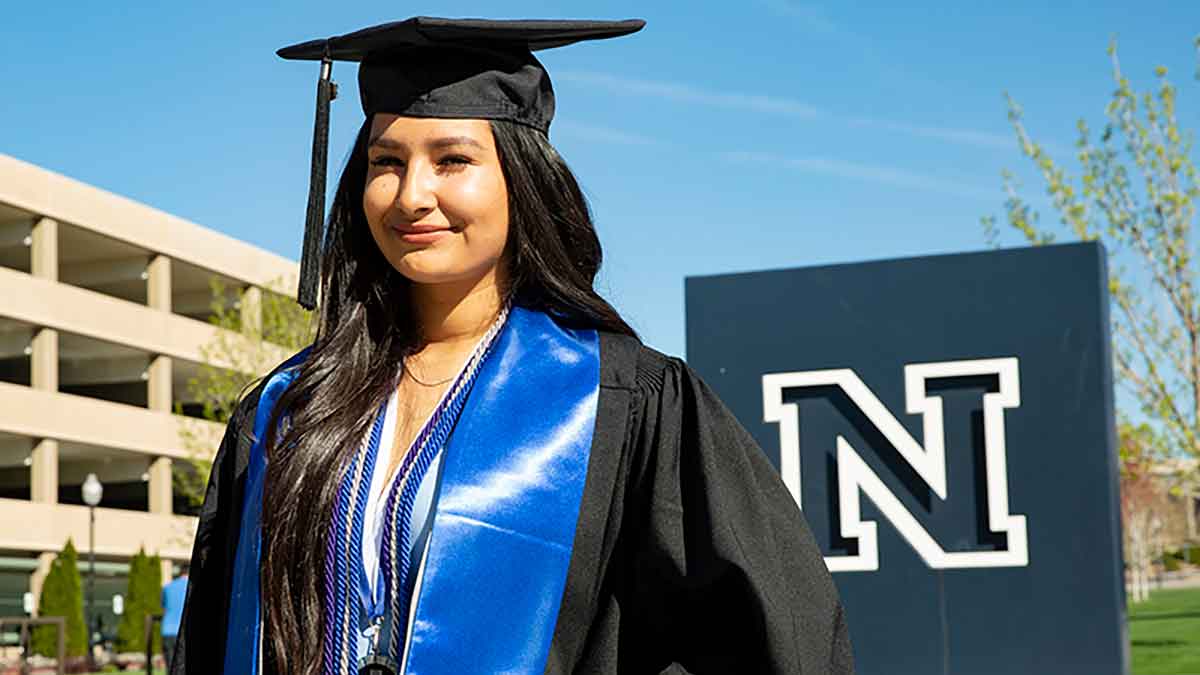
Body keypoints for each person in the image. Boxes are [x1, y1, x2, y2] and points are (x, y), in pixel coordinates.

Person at [172, 16, 853, 675]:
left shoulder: (622, 404)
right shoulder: (286, 410)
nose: (412, 194)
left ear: (519, 179)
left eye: (453, 160)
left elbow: (766, 632)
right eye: (387, 161)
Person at [161, 564, 188, 672]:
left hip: (168, 631)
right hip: (185, 632)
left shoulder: (167, 587)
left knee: (171, 667)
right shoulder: (192, 587)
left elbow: (163, 605)